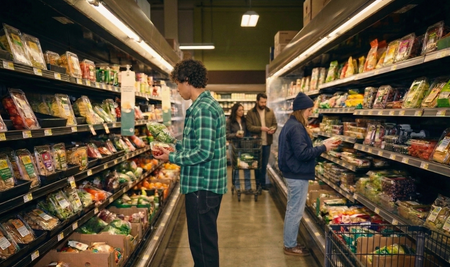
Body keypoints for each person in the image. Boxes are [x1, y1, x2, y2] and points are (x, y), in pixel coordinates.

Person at [154, 59, 227, 267]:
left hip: (202, 188)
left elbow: (204, 152)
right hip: (203, 186)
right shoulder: (203, 105)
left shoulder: (203, 109)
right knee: (202, 243)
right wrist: (175, 148)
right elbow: (197, 145)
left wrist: (172, 158)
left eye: (177, 84)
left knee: (203, 246)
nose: (177, 90)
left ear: (187, 81)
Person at [278, 92, 338, 256]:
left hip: (292, 173)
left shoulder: (290, 124)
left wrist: (322, 144)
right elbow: (303, 154)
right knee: (295, 211)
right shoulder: (296, 127)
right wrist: (323, 148)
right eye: (309, 110)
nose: (311, 114)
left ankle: (290, 242)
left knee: (293, 209)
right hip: (296, 175)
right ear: (302, 110)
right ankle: (290, 245)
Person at [246, 93, 277, 191]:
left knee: (264, 164)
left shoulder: (270, 112)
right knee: (256, 165)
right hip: (256, 143)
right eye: (262, 102)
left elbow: (274, 124)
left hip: (267, 142)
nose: (264, 104)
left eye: (265, 102)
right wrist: (261, 128)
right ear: (257, 101)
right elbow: (249, 127)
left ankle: (262, 184)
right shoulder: (251, 113)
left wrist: (273, 129)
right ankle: (257, 185)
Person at [226, 103, 252, 194]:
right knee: (236, 168)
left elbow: (249, 131)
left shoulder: (245, 121)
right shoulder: (229, 121)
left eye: (242, 110)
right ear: (235, 111)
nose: (241, 112)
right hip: (234, 146)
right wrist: (235, 135)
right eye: (239, 110)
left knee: (247, 167)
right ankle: (237, 187)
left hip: (245, 146)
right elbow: (226, 135)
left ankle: (248, 187)